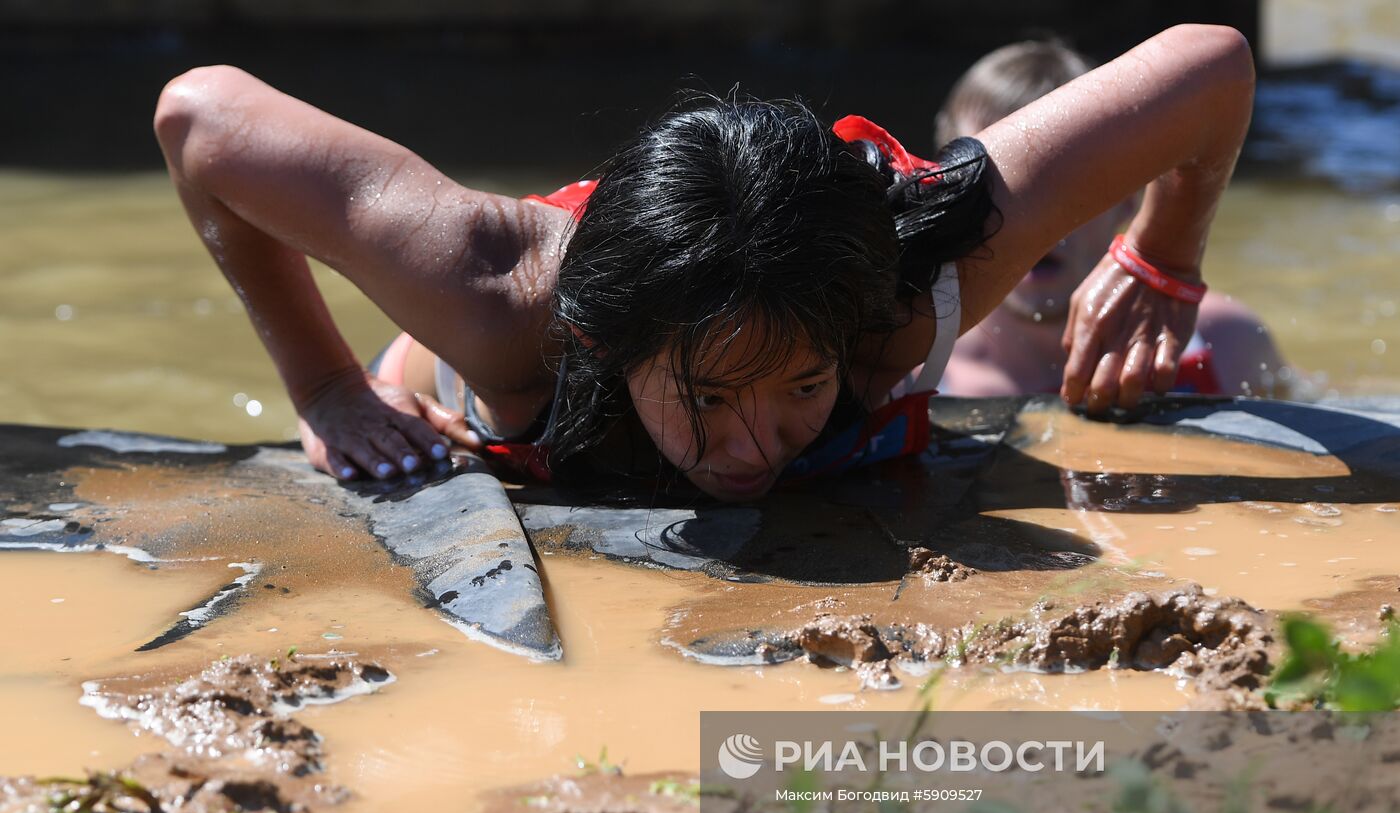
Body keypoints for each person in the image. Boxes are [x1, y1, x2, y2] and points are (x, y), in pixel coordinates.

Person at [154, 24, 1255, 501]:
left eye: (802, 388)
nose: (749, 449)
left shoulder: (919, 273)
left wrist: (1160, 260)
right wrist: (329, 386)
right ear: (606, 348)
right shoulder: (492, 297)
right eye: (708, 398)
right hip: (488, 349)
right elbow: (199, 117)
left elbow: (1209, 65)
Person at [933, 38, 1289, 399]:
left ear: (1128, 199)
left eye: (1067, 184)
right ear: (944, 197)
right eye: (992, 186)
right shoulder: (915, 379)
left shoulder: (1225, 342)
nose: (1031, 219)